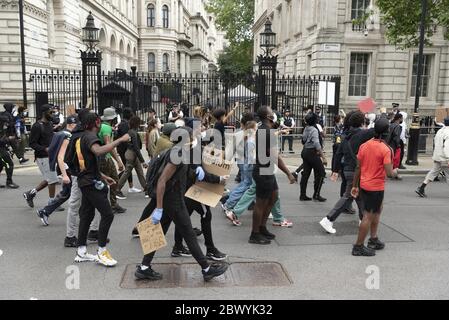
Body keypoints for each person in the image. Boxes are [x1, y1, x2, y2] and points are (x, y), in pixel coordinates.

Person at [134, 127, 229, 281]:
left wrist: (197, 172)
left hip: (171, 198)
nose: (193, 139)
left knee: (160, 231)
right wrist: (158, 208)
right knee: (189, 234)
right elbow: (162, 181)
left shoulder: (179, 152)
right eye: (191, 137)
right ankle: (206, 269)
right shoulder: (177, 154)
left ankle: (144, 267)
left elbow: (178, 175)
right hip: (173, 200)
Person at [74, 112, 130, 266]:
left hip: (86, 180)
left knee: (87, 214)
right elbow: (98, 151)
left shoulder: (82, 136)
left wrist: (103, 176)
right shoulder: (91, 137)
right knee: (108, 214)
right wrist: (120, 139)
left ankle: (81, 251)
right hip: (90, 183)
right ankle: (101, 251)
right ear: (97, 122)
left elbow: (88, 163)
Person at [319, 111, 375, 234]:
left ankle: (362, 219)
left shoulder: (345, 135)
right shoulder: (362, 134)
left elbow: (338, 154)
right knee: (349, 195)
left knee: (358, 196)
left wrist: (335, 170)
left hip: (347, 169)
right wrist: (374, 118)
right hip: (356, 170)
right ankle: (328, 219)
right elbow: (379, 129)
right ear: (361, 122)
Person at [250, 106, 296, 245]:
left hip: (267, 170)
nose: (274, 114)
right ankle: (255, 234)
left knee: (273, 196)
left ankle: (262, 227)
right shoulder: (266, 131)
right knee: (260, 202)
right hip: (263, 171)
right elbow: (275, 157)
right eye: (272, 112)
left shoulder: (266, 130)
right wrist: (288, 173)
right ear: (269, 117)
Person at [351, 118, 396, 256]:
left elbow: (358, 167)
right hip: (375, 187)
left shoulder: (364, 145)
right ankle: (358, 246)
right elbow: (389, 173)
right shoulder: (385, 149)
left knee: (377, 210)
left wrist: (355, 185)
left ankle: (373, 239)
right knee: (368, 216)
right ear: (387, 132)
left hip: (365, 184)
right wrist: (395, 172)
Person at [36, 115, 78, 225]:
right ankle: (45, 211)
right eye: (76, 124)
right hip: (67, 168)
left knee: (67, 192)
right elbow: (61, 156)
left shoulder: (60, 133)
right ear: (72, 124)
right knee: (75, 191)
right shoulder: (68, 136)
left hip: (63, 167)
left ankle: (45, 211)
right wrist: (64, 174)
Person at [23, 104, 61, 209]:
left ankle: (30, 193)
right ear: (44, 113)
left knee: (50, 179)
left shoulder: (49, 124)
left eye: (53, 112)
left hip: (51, 156)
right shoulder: (37, 126)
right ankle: (52, 203)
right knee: (53, 180)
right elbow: (32, 143)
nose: (53, 114)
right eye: (51, 112)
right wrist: (45, 149)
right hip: (42, 157)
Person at [98, 107, 126, 214]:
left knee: (104, 181)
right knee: (114, 179)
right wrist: (118, 161)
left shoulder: (101, 126)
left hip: (100, 157)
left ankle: (105, 203)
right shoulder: (107, 129)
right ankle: (112, 204)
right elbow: (109, 146)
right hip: (106, 158)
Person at [416, 117, 449, 198]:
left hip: (437, 156)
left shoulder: (440, 131)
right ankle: (421, 188)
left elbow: (436, 142)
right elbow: (447, 147)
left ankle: (421, 187)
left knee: (433, 172)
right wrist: (448, 158)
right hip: (444, 157)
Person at [116, 116, 148, 195]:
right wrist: (143, 161)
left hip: (130, 153)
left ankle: (147, 188)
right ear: (137, 124)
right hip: (132, 154)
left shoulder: (130, 131)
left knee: (139, 171)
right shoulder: (133, 133)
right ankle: (117, 189)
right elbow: (136, 148)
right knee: (128, 172)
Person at [299, 112, 326, 202]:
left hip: (305, 151)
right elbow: (317, 144)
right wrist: (323, 157)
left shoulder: (306, 128)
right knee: (322, 172)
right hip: (312, 152)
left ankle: (302, 195)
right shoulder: (314, 130)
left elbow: (303, 140)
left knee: (306, 174)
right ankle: (316, 194)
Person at [115, 108, 138, 198]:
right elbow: (126, 138)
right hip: (124, 149)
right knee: (127, 168)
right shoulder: (125, 125)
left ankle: (131, 186)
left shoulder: (122, 123)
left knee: (128, 168)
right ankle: (118, 186)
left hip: (122, 148)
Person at [0, 109, 19, 188]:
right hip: (1, 150)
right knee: (9, 164)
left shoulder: (2, 129)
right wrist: (8, 139)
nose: (6, 124)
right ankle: (9, 181)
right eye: (5, 122)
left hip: (2, 148)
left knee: (0, 165)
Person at [386, 112, 403, 179]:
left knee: (391, 159)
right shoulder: (397, 126)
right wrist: (398, 145)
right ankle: (394, 174)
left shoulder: (391, 125)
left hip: (389, 144)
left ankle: (392, 172)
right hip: (395, 145)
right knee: (396, 160)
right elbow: (396, 136)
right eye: (402, 118)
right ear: (399, 118)